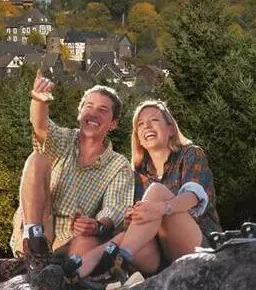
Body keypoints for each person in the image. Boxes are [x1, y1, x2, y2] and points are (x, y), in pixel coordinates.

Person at [0, 70, 134, 285]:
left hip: (72, 242)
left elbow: (114, 209)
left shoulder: (119, 165)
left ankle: (27, 266)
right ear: (80, 113)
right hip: (39, 228)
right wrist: (39, 101)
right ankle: (35, 251)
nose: (93, 114)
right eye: (89, 106)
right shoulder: (64, 139)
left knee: (89, 242)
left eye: (103, 110)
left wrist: (96, 225)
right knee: (37, 159)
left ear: (113, 123)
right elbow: (41, 126)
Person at [74, 100, 220, 279]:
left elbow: (193, 197)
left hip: (199, 247)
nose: (147, 127)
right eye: (141, 124)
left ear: (170, 129)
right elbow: (136, 227)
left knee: (156, 192)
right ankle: (74, 274)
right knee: (118, 239)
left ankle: (119, 261)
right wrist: (132, 217)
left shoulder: (190, 154)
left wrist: (159, 208)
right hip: (160, 257)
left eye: (154, 121)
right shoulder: (137, 174)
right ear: (138, 137)